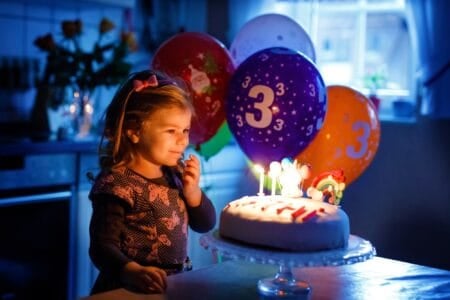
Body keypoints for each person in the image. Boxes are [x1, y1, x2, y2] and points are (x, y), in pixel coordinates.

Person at [88, 70, 216, 295]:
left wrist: (193, 193)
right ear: (134, 131)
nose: (182, 140)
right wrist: (130, 270)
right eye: (171, 130)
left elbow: (205, 224)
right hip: (127, 288)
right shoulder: (116, 184)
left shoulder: (174, 174)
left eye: (185, 130)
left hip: (171, 287)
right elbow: (101, 246)